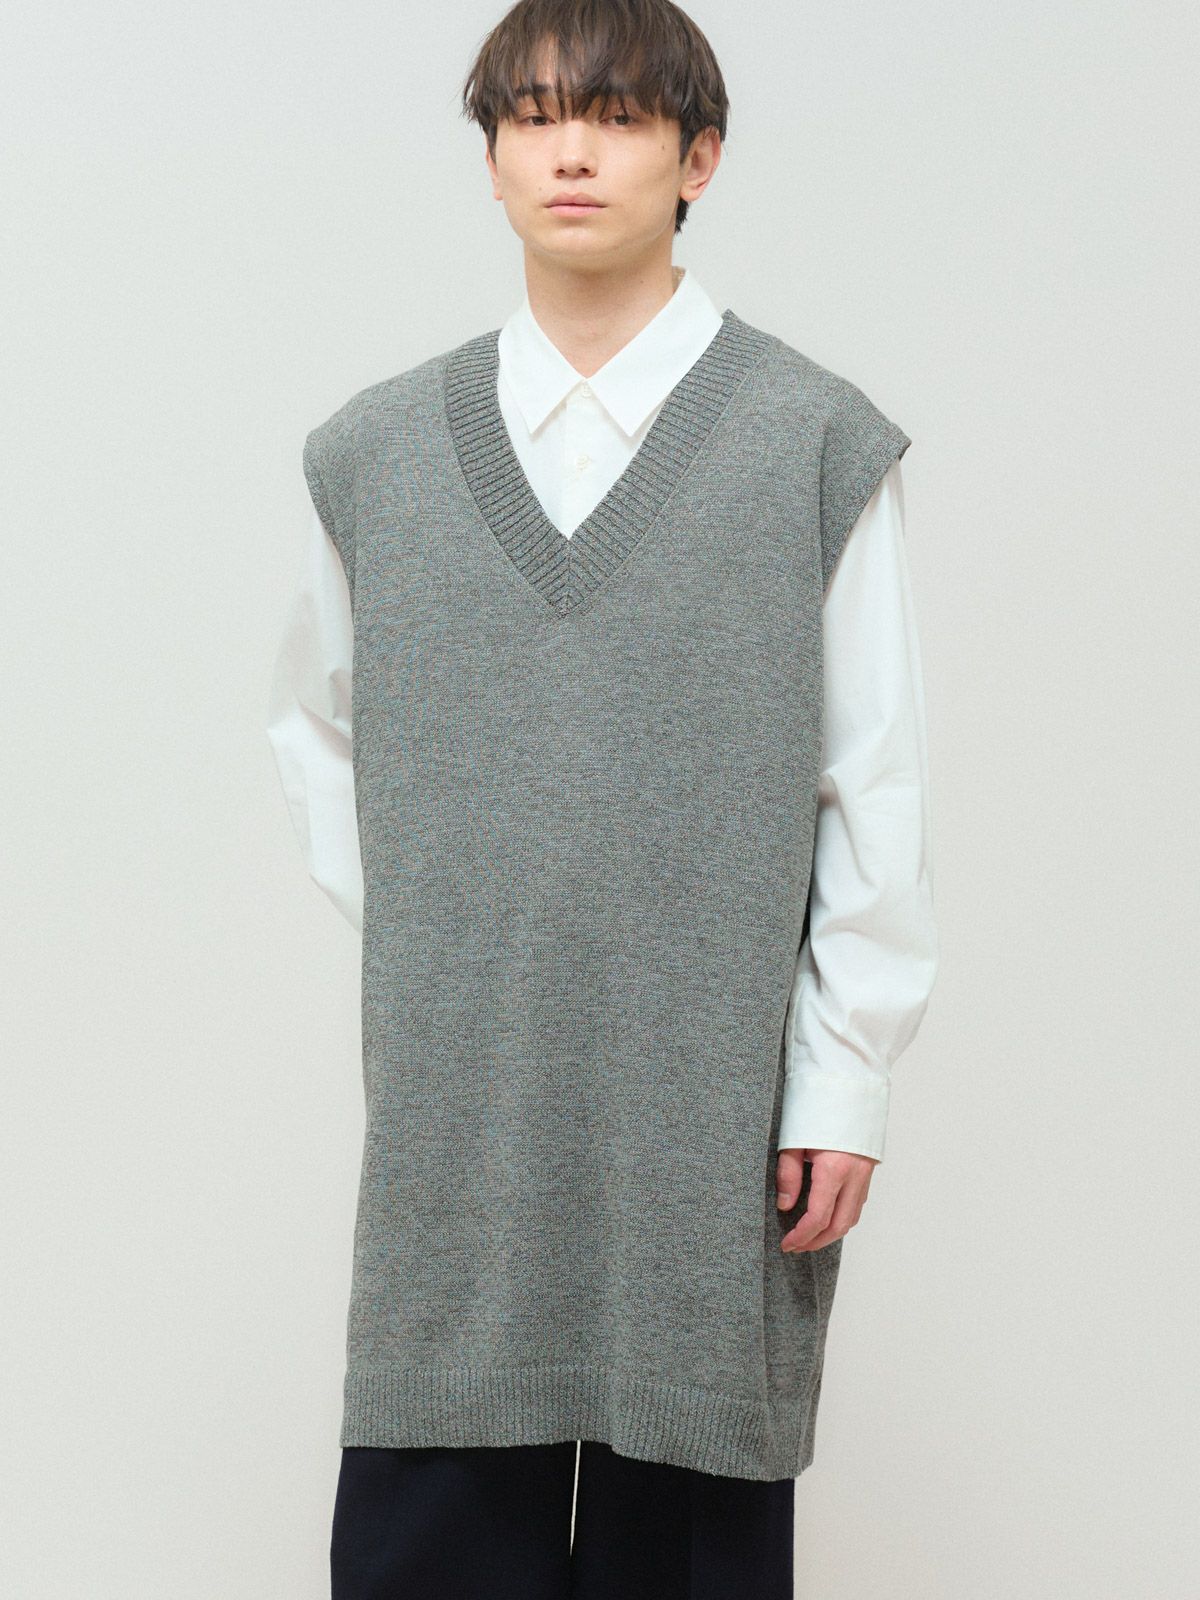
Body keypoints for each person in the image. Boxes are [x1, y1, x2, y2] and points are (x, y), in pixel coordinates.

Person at [266, 1, 938, 1594]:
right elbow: (316, 730)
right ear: (492, 159)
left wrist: (843, 1076)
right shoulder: (375, 452)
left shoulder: (811, 441)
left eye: (621, 117)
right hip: (464, 1094)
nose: (573, 152)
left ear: (699, 159)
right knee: (436, 1498)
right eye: (535, 116)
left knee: (690, 1524)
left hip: (714, 1099)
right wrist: (454, 930)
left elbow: (874, 776)